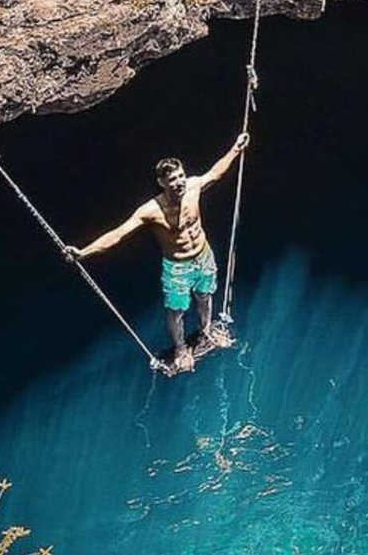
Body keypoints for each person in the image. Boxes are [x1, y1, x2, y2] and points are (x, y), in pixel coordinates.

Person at [67, 132, 249, 374]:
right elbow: (119, 233)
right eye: (172, 179)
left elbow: (216, 173)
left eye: (181, 176)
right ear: (162, 182)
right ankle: (181, 349)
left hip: (203, 254)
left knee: (205, 296)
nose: (179, 182)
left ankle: (206, 330)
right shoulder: (151, 210)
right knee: (177, 310)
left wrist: (236, 148)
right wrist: (84, 253)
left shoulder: (194, 187)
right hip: (178, 266)